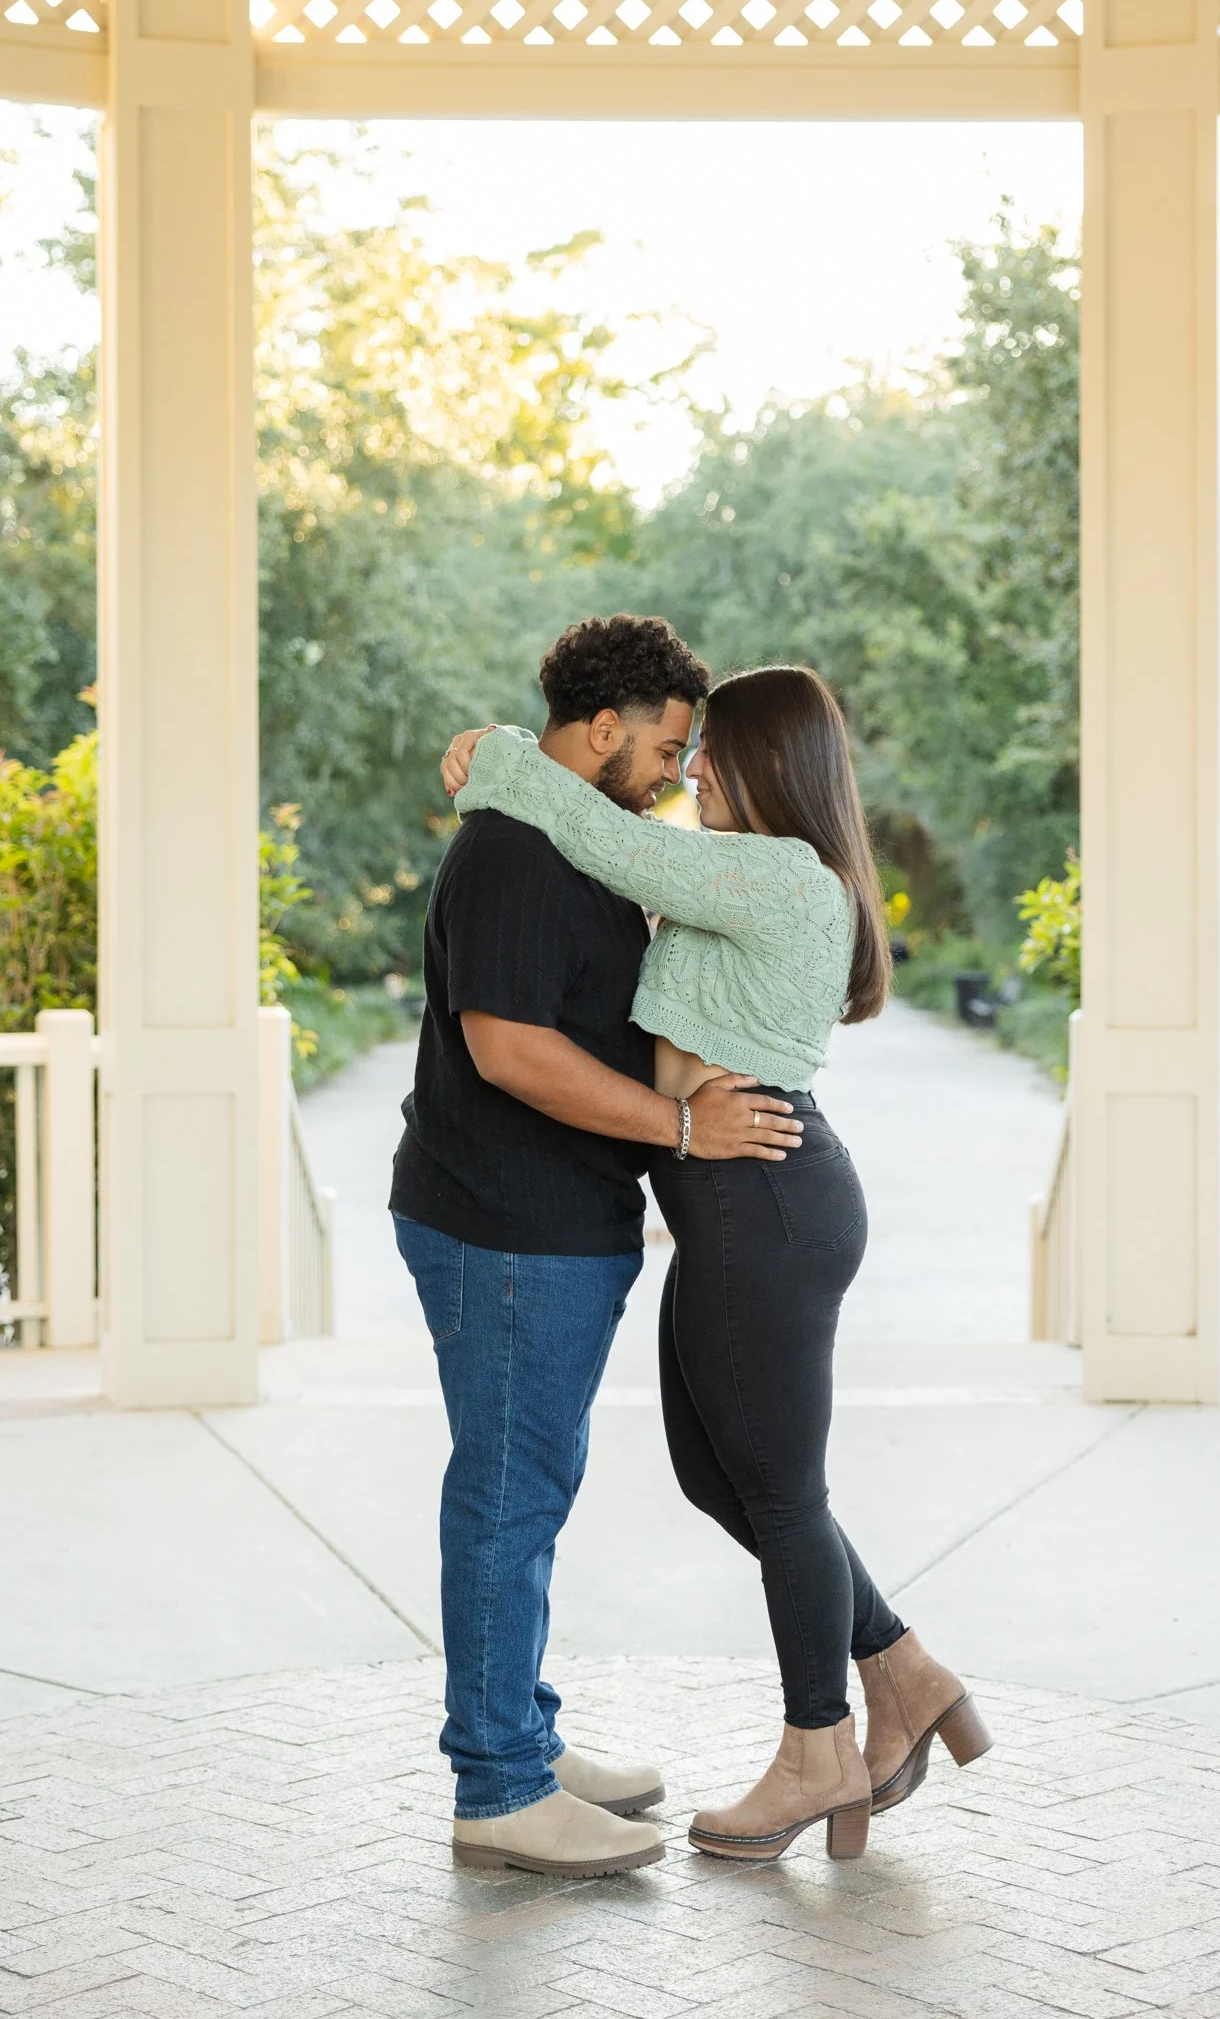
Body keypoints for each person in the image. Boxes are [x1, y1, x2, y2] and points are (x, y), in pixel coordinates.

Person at [441, 663, 993, 1867]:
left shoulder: (782, 873)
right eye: (683, 753)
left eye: (709, 752)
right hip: (731, 1204)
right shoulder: (741, 871)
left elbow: (602, 835)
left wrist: (501, 751)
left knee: (782, 1492)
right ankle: (905, 1668)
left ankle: (817, 1747)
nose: (689, 771)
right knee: (718, 1475)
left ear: (767, 760)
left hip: (765, 1200)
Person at [392, 615, 807, 1880]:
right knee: (507, 1496)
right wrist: (682, 1125)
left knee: (531, 1486)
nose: (677, 774)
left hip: (553, 1223)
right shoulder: (517, 850)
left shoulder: (569, 831)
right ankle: (499, 1787)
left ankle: (520, 1734)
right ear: (607, 726)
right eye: (669, 749)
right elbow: (511, 1048)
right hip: (504, 1226)